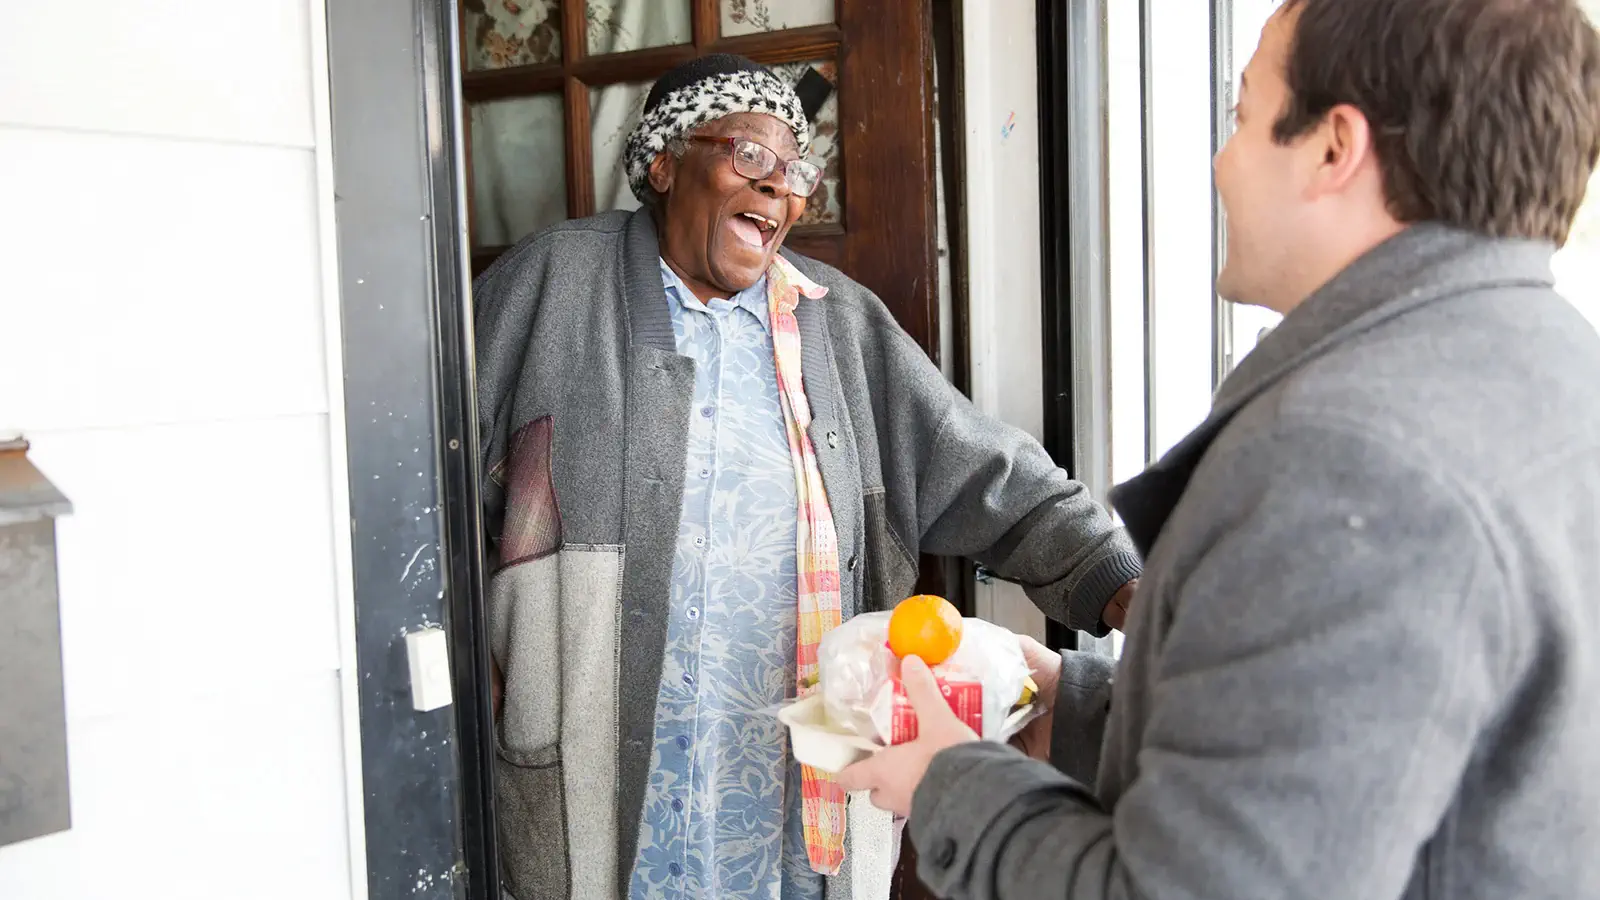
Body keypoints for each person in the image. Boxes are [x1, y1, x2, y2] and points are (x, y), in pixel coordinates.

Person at [838, 1, 1600, 898]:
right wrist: (1072, 709)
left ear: (1331, 148)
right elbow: (1364, 753)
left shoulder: (1350, 464)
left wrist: (949, 783)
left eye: (1240, 116)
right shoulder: (1550, 367)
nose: (1219, 162)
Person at [473, 53, 1140, 900]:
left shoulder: (838, 323)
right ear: (665, 160)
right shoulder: (552, 282)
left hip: (787, 794)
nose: (781, 191)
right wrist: (466, 670)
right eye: (753, 157)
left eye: (797, 173)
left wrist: (1129, 595)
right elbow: (435, 496)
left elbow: (992, 479)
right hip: (597, 780)